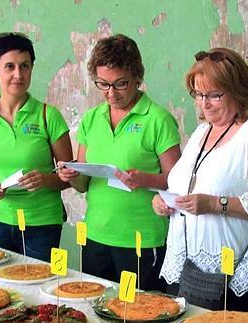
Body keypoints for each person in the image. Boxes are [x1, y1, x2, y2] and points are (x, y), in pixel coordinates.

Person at [152, 47, 248, 316]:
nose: (205, 104)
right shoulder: (203, 132)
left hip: (234, 275)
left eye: (214, 95)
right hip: (191, 271)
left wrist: (214, 204)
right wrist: (163, 201)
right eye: (199, 94)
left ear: (238, 91)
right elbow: (181, 184)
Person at [57, 34, 181, 291]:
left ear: (137, 77)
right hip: (95, 234)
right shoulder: (92, 118)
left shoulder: (158, 119)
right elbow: (83, 183)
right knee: (95, 308)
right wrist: (71, 174)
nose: (110, 93)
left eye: (120, 84)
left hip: (141, 239)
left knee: (137, 312)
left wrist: (144, 179)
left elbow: (177, 181)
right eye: (102, 84)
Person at [0, 32, 73, 262]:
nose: (18, 74)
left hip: (43, 225)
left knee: (41, 288)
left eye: (25, 66)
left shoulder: (48, 116)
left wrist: (44, 179)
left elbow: (70, 177)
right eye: (9, 67)